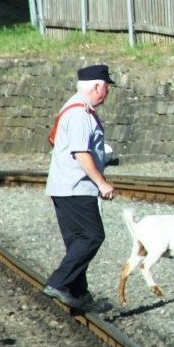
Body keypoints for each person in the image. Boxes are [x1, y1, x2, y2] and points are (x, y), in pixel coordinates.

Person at [42, 64, 116, 313]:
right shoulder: (81, 113)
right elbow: (81, 153)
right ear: (97, 86)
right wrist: (102, 183)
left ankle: (80, 295)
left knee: (77, 242)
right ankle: (58, 282)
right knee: (92, 237)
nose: (106, 92)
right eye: (106, 87)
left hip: (64, 186)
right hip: (76, 187)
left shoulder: (73, 107)